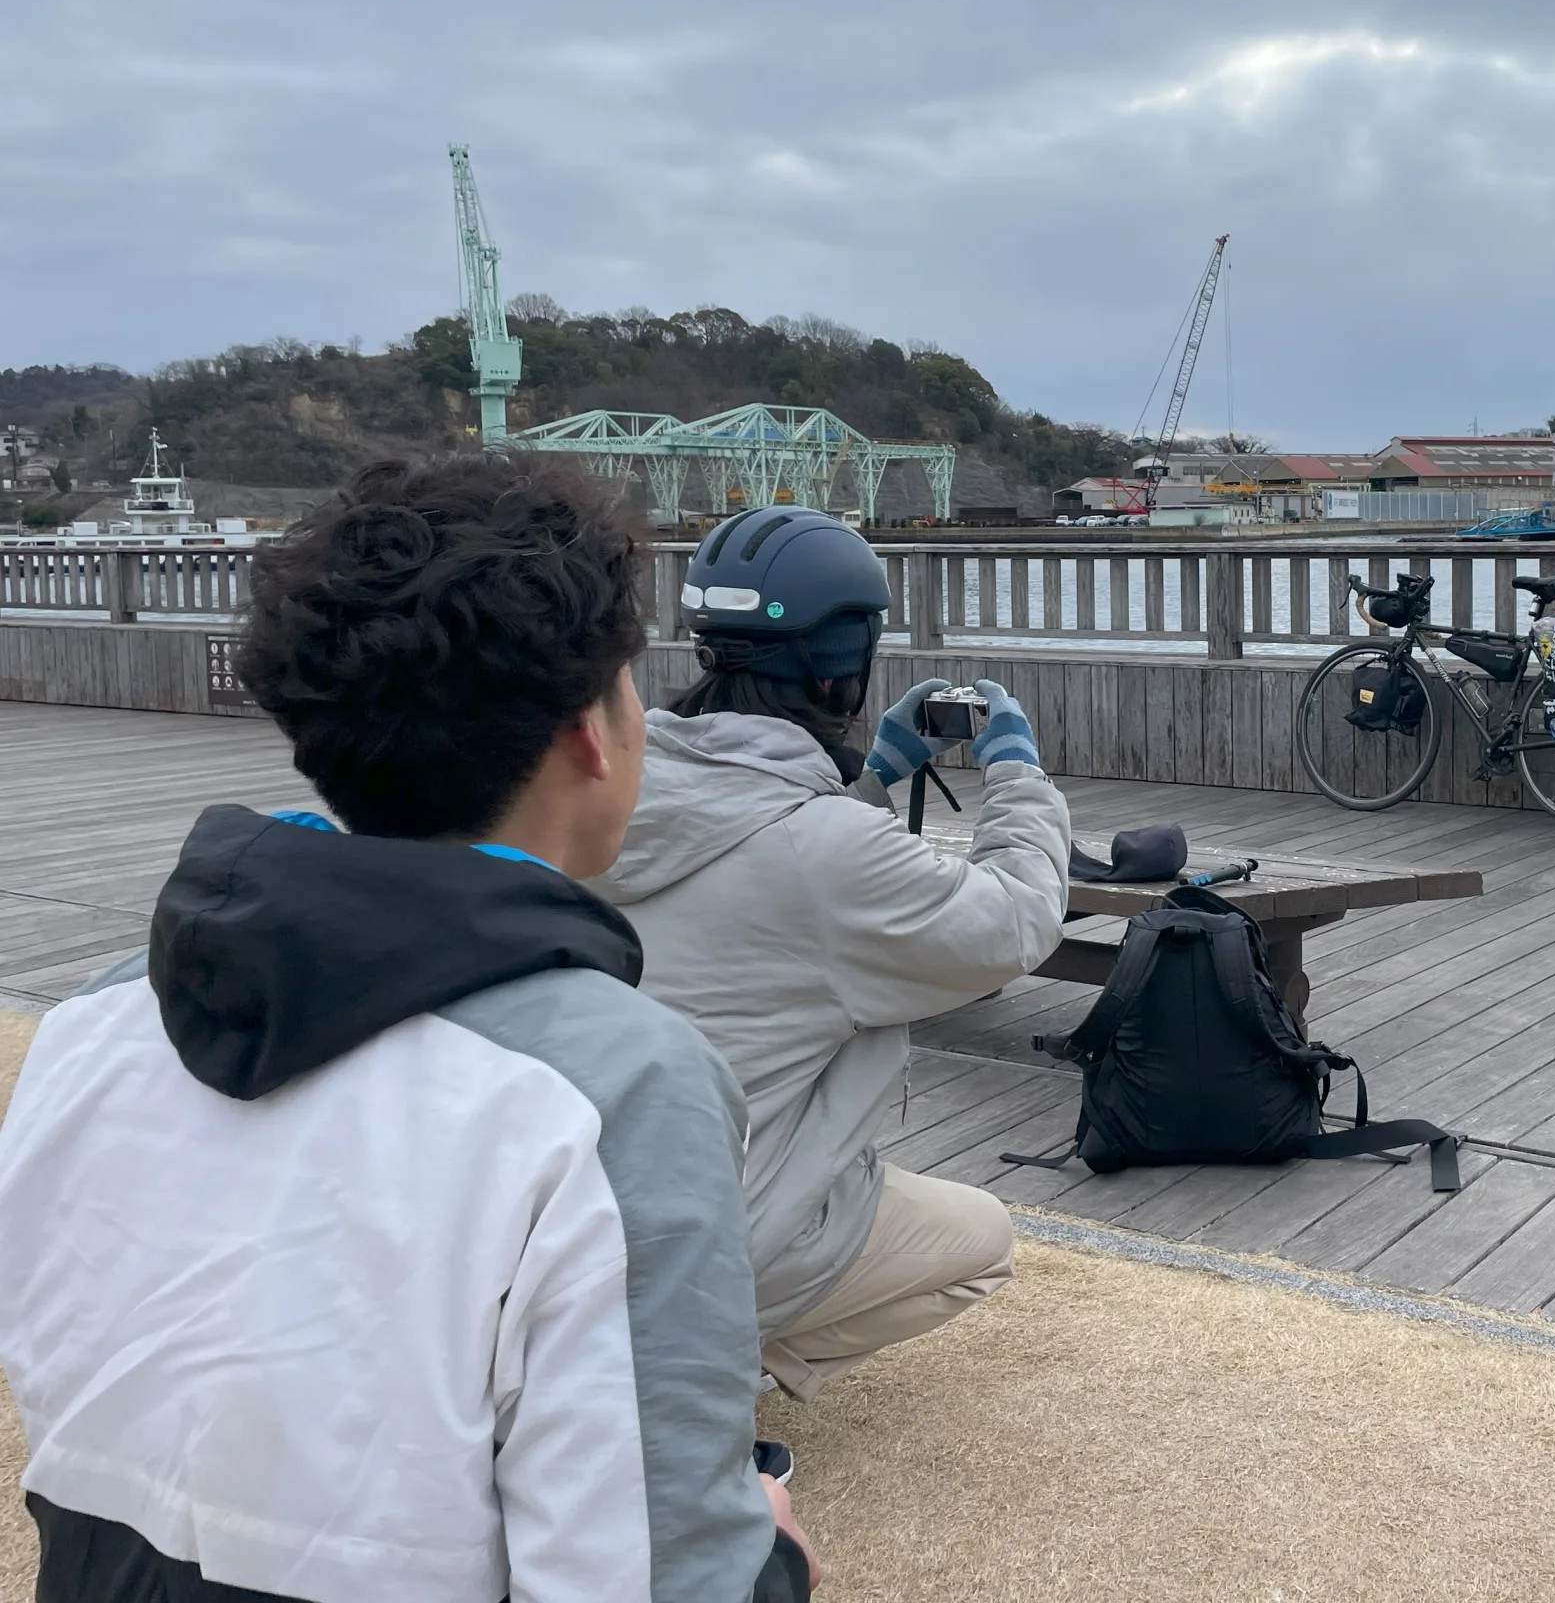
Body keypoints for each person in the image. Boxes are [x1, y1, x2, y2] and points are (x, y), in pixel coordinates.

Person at [0, 455, 819, 1602]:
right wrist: (766, 1549)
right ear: (590, 729)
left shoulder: (94, 1016)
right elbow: (649, 1579)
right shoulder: (611, 1089)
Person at [593, 506, 1070, 1400]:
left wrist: (869, 775)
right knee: (979, 1245)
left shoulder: (609, 781)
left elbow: (755, 837)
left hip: (572, 1220)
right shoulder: (831, 854)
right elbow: (1012, 923)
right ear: (846, 660)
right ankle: (694, 1375)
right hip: (713, 1240)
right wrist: (1018, 776)